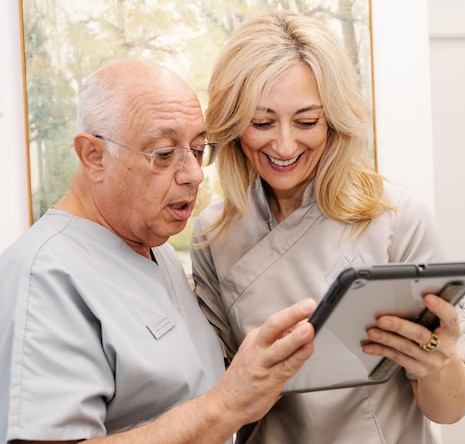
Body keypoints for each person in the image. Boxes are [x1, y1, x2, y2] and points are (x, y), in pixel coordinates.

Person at [191, 10, 465, 444]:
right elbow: (217, 403)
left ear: (333, 120)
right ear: (234, 125)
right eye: (261, 122)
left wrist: (440, 364)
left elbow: (451, 409)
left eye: (307, 121)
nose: (285, 144)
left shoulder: (395, 216)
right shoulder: (214, 233)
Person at [0, 59, 318, 444]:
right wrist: (224, 407)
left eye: (198, 150)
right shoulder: (45, 276)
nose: (194, 174)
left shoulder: (153, 246)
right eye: (165, 154)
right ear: (93, 156)